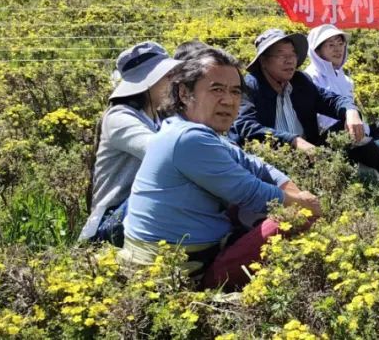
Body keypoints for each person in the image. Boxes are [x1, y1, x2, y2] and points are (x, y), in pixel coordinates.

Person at [122, 47, 322, 290]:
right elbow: (251, 193)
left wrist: (292, 190)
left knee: (287, 209)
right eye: (216, 89)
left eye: (235, 92)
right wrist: (303, 204)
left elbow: (255, 165)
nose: (228, 101)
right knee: (293, 217)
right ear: (184, 93)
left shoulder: (190, 129)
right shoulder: (188, 138)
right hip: (181, 271)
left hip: (193, 254)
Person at [229, 29, 379, 176]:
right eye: (281, 55)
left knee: (347, 129)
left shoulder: (300, 81)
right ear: (263, 61)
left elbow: (331, 100)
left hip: (311, 154)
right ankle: (375, 172)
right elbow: (246, 126)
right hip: (270, 161)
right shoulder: (250, 87)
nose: (289, 60)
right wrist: (293, 141)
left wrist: (350, 111)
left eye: (292, 54)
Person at [80, 42, 182, 246]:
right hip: (111, 222)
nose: (175, 81)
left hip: (135, 214)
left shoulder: (157, 118)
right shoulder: (119, 117)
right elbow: (160, 152)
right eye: (167, 75)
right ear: (147, 82)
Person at [304, 24, 379, 174]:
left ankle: (372, 153)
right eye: (331, 45)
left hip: (358, 133)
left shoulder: (345, 78)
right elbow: (321, 122)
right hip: (333, 138)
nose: (338, 49)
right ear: (317, 51)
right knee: (346, 126)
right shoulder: (310, 78)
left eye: (340, 44)